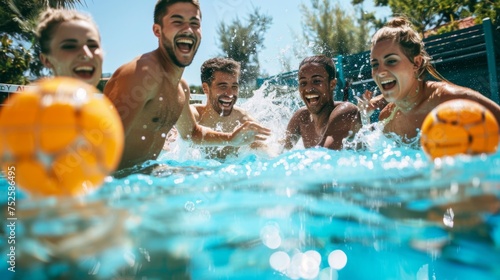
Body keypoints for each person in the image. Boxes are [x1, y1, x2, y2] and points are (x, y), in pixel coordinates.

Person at [104, 0, 270, 171]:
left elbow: (191, 133)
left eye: (194, 23)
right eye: (177, 21)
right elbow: (100, 142)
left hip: (145, 175)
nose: (188, 30)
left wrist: (231, 138)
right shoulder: (142, 75)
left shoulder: (181, 88)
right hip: (116, 183)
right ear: (157, 30)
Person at [358, 16, 500, 141]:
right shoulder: (388, 120)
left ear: (417, 63)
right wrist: (365, 118)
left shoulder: (453, 101)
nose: (380, 72)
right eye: (375, 64)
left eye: (391, 61)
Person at [190, 57, 268, 158]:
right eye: (223, 86)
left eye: (234, 87)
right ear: (206, 88)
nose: (230, 94)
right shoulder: (194, 115)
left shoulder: (243, 122)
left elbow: (268, 155)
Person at [282, 55, 361, 150]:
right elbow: (279, 152)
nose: (308, 89)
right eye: (303, 83)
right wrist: (260, 145)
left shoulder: (346, 111)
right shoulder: (301, 118)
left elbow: (326, 154)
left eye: (316, 81)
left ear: (332, 84)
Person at [36, 8, 103, 87]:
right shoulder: (31, 99)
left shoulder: (105, 99)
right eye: (70, 46)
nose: (86, 54)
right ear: (46, 60)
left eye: (93, 46)